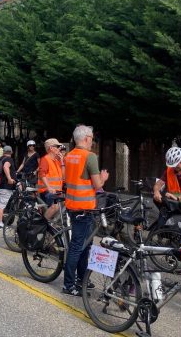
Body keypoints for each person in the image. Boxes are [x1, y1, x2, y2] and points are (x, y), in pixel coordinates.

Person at [63, 125, 109, 297]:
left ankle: (82, 280)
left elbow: (67, 180)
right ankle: (68, 284)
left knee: (84, 246)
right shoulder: (90, 157)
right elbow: (98, 185)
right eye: (92, 138)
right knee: (78, 247)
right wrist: (103, 178)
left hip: (73, 206)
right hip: (85, 208)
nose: (93, 141)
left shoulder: (69, 156)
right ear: (87, 138)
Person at [38, 138, 64, 220]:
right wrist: (49, 187)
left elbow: (63, 176)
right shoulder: (45, 159)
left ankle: (51, 226)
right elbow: (42, 174)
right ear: (51, 148)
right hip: (47, 191)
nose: (59, 148)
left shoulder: (57, 160)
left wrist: (62, 161)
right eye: (57, 146)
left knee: (63, 205)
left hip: (57, 191)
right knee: (55, 207)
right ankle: (42, 224)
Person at [0, 146, 16, 230]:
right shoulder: (8, 159)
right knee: (1, 206)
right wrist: (9, 178)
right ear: (11, 152)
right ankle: (0, 224)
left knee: (0, 204)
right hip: (5, 186)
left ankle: (1, 222)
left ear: (3, 152)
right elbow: (5, 167)